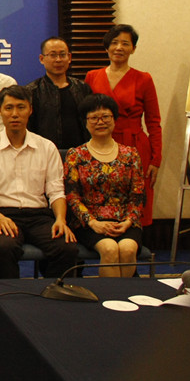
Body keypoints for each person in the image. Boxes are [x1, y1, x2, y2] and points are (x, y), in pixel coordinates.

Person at [0, 85, 77, 279]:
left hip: (38, 216)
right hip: (2, 214)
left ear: (30, 110)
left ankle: (50, 293)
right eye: (9, 108)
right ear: (0, 111)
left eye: (21, 107)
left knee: (67, 247)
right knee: (5, 247)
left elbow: (56, 191)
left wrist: (60, 219)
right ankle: (11, 296)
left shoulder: (47, 147)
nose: (15, 114)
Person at [85, 24, 162, 226]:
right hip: (100, 144)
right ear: (107, 47)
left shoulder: (144, 79)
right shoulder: (92, 76)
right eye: (114, 43)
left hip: (134, 144)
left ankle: (135, 239)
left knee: (136, 200)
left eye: (125, 43)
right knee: (101, 196)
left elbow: (154, 122)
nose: (119, 47)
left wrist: (156, 159)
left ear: (133, 49)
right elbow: (86, 115)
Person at [65, 94, 146, 277]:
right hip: (89, 223)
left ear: (114, 119)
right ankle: (110, 295)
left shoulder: (131, 154)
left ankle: (126, 294)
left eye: (105, 117)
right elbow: (72, 196)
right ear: (85, 122)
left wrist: (128, 222)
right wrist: (93, 222)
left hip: (125, 221)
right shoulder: (75, 155)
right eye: (94, 118)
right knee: (109, 248)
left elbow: (138, 195)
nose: (100, 122)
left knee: (127, 249)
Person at [24, 37, 93, 155]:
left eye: (62, 55)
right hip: (44, 154)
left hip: (79, 154)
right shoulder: (32, 91)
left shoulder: (82, 88)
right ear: (42, 59)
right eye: (53, 55)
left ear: (69, 57)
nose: (58, 60)